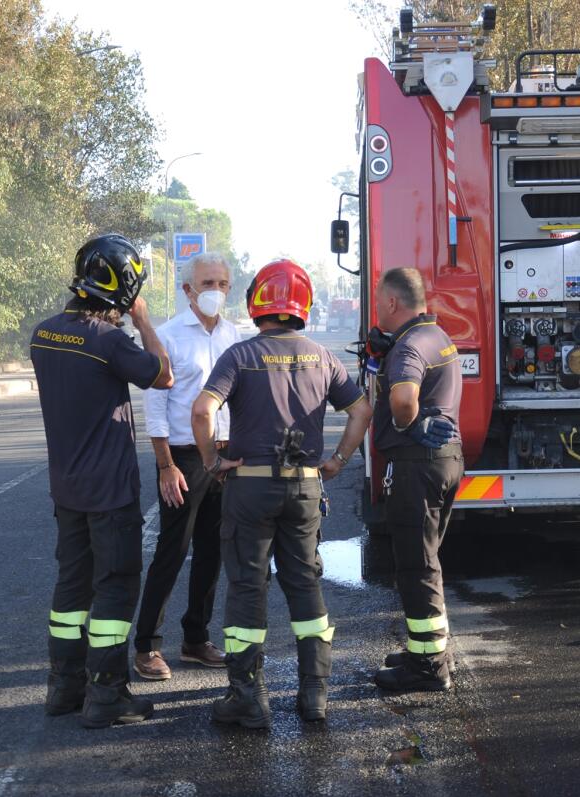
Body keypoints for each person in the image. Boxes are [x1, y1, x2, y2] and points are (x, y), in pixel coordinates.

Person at [191, 259, 372, 727]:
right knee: (305, 585)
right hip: (305, 488)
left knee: (248, 590)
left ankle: (248, 699)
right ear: (303, 304)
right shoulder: (323, 356)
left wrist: (212, 462)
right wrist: (337, 461)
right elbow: (361, 411)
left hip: (249, 489)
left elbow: (201, 410)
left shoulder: (240, 356)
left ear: (257, 303)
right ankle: (314, 698)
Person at [30, 233, 174, 729]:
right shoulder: (109, 341)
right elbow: (163, 374)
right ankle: (107, 695)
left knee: (72, 587)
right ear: (126, 289)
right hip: (110, 493)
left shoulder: (43, 334)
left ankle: (64, 688)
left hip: (66, 488)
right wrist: (144, 320)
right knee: (114, 587)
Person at [133, 253, 241, 680]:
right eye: (207, 283)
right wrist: (165, 466)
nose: (215, 291)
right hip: (184, 457)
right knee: (173, 550)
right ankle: (147, 646)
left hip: (225, 454)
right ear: (188, 290)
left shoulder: (235, 336)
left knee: (213, 551)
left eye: (222, 283)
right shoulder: (168, 337)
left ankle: (196, 639)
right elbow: (156, 407)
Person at [369, 268, 462, 693]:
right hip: (444, 461)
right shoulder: (436, 335)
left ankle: (427, 669)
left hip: (416, 465)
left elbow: (404, 398)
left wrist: (407, 426)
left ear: (391, 302)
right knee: (427, 559)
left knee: (416, 566)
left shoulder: (408, 347)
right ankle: (428, 650)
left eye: (378, 300)